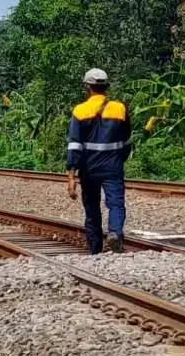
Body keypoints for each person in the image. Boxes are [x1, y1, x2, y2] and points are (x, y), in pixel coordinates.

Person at [66, 68, 132, 255]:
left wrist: (71, 177)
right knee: (116, 203)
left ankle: (95, 249)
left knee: (92, 207)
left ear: (87, 87)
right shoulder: (120, 108)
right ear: (107, 86)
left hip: (89, 168)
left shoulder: (79, 111)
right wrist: (119, 159)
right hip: (113, 166)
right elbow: (126, 140)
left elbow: (74, 145)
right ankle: (115, 233)